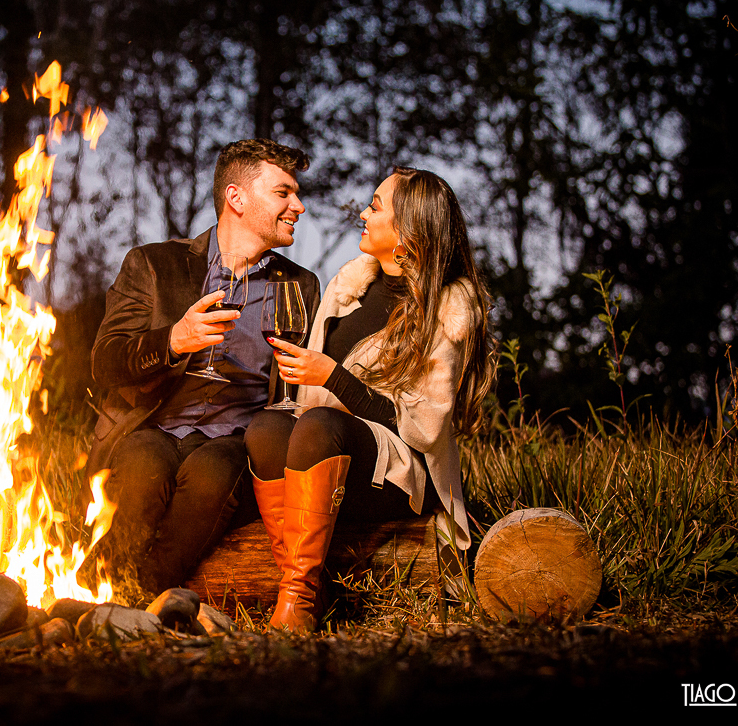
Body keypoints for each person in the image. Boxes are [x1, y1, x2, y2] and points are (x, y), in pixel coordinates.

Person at [245, 167, 494, 631]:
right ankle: (302, 583)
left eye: (376, 206)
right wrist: (309, 376)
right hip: (331, 453)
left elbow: (421, 429)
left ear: (408, 231)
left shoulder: (445, 310)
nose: (363, 212)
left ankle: (297, 602)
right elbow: (311, 396)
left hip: (401, 473)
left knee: (320, 425)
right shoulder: (349, 287)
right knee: (266, 428)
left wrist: (335, 379)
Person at [89, 139, 321, 596]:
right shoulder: (155, 265)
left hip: (236, 440)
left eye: (296, 193)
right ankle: (98, 590)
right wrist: (173, 341)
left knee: (214, 476)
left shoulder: (300, 285)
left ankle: (137, 602)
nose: (299, 205)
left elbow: (298, 391)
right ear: (236, 197)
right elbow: (104, 362)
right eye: (283, 193)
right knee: (140, 469)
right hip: (154, 427)